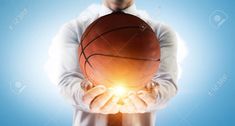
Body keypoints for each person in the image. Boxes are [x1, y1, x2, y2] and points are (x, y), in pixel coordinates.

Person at [45, 0, 178, 125]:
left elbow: (167, 83)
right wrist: (83, 96)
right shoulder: (74, 29)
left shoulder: (161, 32)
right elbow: (67, 81)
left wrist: (154, 96)